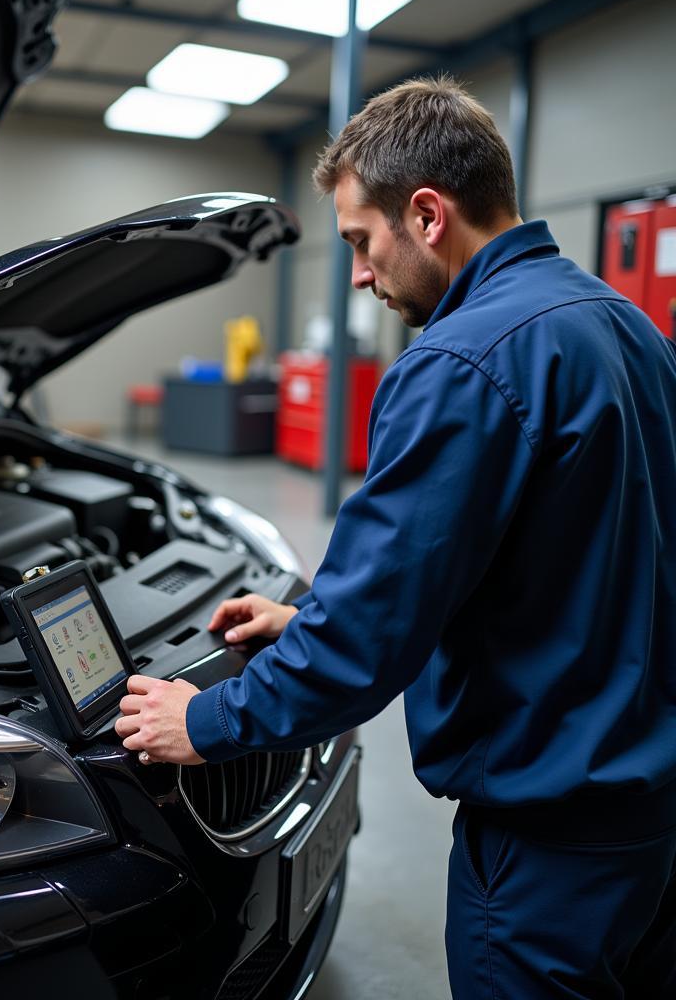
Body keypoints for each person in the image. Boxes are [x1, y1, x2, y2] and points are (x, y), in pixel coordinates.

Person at [114, 76, 676, 998]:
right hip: (649, 816)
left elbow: (369, 636)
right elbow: (566, 567)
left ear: (425, 214)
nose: (362, 276)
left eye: (361, 244)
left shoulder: (459, 364)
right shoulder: (626, 328)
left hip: (547, 846)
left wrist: (205, 719)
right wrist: (306, 623)